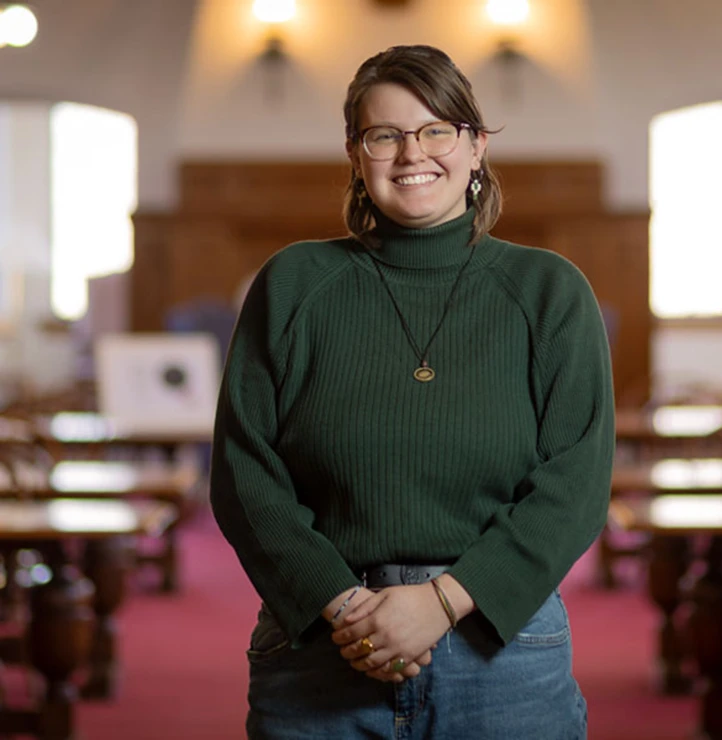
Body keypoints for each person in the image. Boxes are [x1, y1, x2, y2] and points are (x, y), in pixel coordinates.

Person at [210, 43, 615, 740]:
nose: (411, 153)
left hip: (499, 645)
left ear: (477, 146)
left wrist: (441, 602)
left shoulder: (550, 291)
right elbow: (244, 473)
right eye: (384, 134)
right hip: (322, 639)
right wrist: (346, 609)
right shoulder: (294, 284)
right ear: (354, 152)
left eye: (436, 130)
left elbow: (576, 485)